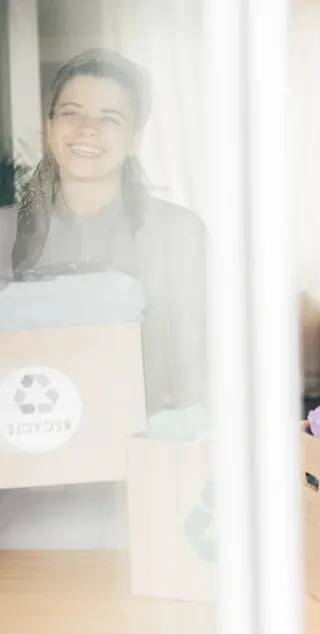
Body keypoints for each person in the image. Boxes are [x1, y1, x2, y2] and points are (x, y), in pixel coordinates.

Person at [0, 49, 207, 549]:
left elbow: (204, 367)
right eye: (71, 112)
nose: (86, 129)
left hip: (137, 487)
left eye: (108, 118)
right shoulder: (4, 229)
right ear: (50, 127)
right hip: (21, 495)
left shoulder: (177, 234)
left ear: (135, 139)